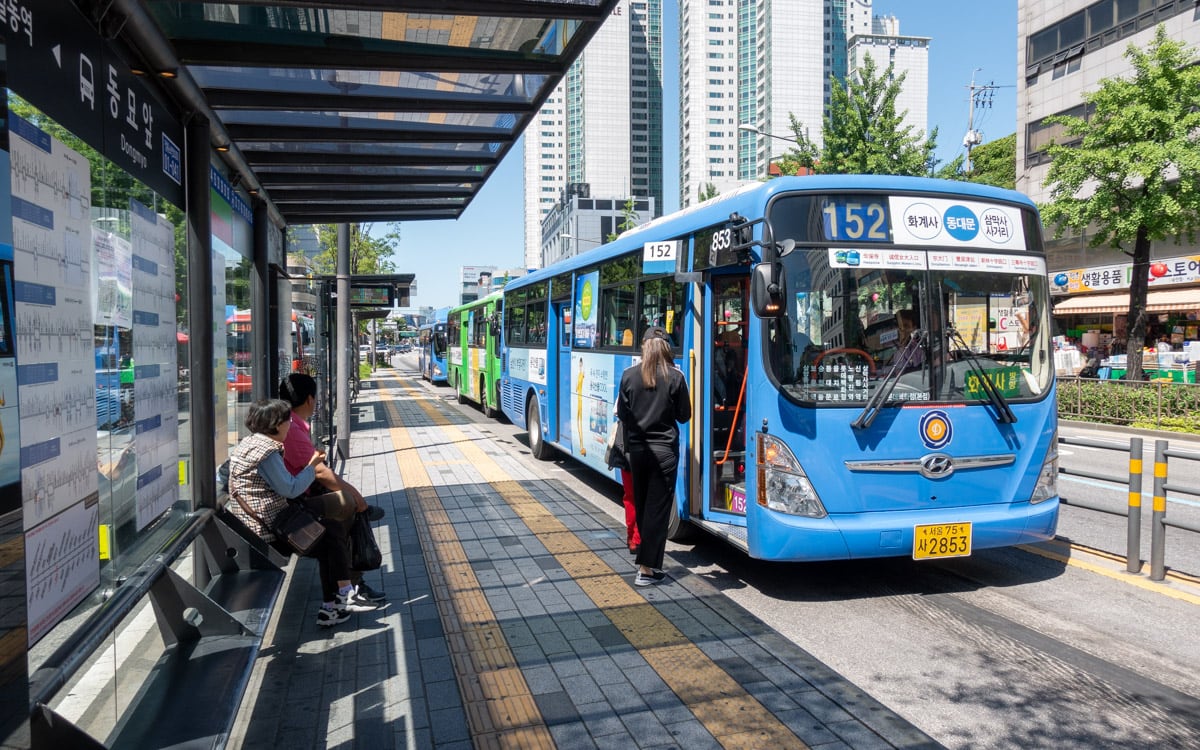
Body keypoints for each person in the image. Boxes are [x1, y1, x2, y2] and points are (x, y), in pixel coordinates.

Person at [227, 399, 377, 627]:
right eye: (287, 420)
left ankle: (335, 603)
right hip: (270, 531)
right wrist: (312, 465)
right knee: (330, 539)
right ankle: (342, 595)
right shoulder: (265, 453)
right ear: (276, 424)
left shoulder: (249, 444)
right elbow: (290, 487)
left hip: (269, 520)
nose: (290, 425)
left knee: (331, 533)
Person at [280, 373, 387, 603]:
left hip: (294, 498)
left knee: (344, 509)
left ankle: (351, 583)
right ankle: (353, 584)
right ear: (310, 399)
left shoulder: (288, 423)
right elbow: (320, 472)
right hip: (292, 507)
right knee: (346, 507)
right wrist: (358, 498)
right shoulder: (291, 429)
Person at [618, 327, 691, 586]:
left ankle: (647, 564)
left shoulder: (628, 376)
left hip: (636, 453)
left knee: (642, 504)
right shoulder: (676, 377)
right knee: (657, 512)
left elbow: (623, 415)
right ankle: (646, 570)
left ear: (644, 347)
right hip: (664, 453)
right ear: (666, 348)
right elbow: (684, 415)